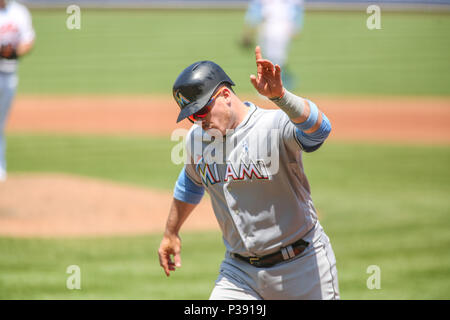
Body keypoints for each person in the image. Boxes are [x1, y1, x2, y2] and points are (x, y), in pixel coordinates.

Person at [158, 46, 339, 300]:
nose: (199, 121)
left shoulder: (272, 126)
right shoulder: (197, 140)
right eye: (192, 117)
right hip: (239, 273)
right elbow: (191, 181)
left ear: (224, 95)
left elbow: (320, 131)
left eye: (201, 111)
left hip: (303, 266)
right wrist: (171, 232)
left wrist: (282, 97)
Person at [0, 0, 35, 181]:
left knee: (0, 123)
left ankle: (0, 169)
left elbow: (28, 41)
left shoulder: (19, 12)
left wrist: (12, 52)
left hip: (9, 74)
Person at [241, 0, 304, 90]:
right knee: (267, 58)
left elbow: (297, 9)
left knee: (279, 60)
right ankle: (268, 87)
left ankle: (277, 87)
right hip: (266, 26)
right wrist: (248, 30)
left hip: (283, 26)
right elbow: (254, 10)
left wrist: (297, 26)